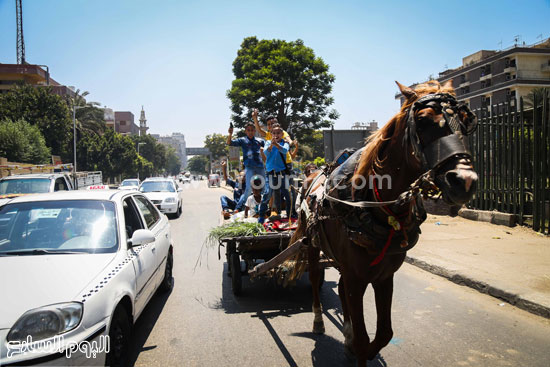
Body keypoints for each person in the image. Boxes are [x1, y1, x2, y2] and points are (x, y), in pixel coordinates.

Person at [227, 121, 266, 212]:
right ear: (246, 131)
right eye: (248, 130)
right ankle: (243, 208)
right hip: (249, 167)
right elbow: (229, 142)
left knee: (264, 187)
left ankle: (263, 207)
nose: (250, 132)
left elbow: (269, 148)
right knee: (248, 188)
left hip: (260, 166)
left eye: (252, 130)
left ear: (255, 131)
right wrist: (230, 134)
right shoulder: (242, 140)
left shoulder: (260, 141)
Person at [258, 123, 291, 223]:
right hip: (271, 173)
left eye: (278, 133)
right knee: (268, 194)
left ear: (282, 134)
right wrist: (272, 145)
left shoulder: (285, 143)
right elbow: (266, 153)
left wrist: (276, 144)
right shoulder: (268, 142)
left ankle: (290, 214)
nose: (276, 135)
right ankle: (261, 215)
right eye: (274, 133)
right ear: (271, 134)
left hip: (282, 173)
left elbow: (285, 151)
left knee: (287, 195)